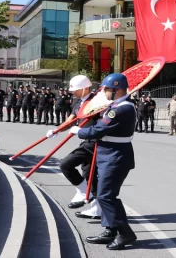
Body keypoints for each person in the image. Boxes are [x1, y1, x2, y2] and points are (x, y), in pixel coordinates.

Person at [68, 73, 137, 250]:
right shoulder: (114, 105)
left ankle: (125, 233)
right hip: (108, 155)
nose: (103, 92)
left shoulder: (122, 108)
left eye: (106, 89)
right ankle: (110, 230)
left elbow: (98, 130)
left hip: (115, 157)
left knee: (106, 196)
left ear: (117, 90)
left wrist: (79, 131)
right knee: (103, 194)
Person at [47, 75, 101, 217]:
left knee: (66, 164)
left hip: (95, 141)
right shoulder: (78, 102)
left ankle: (84, 192)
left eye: (75, 89)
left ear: (85, 88)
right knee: (89, 174)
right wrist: (56, 130)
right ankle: (97, 208)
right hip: (86, 140)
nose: (72, 92)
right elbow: (70, 121)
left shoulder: (96, 101)